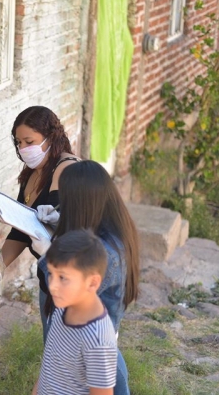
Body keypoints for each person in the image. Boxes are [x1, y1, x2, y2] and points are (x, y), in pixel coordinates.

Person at [32, 160, 140, 395]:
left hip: (91, 341)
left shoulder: (107, 251)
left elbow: (69, 288)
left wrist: (47, 256)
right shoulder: (108, 225)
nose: (63, 204)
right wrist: (58, 220)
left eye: (67, 201)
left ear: (83, 202)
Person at [0, 105, 80, 273]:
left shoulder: (65, 169)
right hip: (49, 273)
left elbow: (54, 228)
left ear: (51, 138)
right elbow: (21, 232)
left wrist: (2, 215)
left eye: (29, 142)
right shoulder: (31, 173)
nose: (22, 149)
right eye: (19, 143)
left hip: (74, 273)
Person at [33, 229, 117, 395]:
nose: (52, 286)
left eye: (63, 277)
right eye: (51, 274)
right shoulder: (62, 306)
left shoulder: (98, 341)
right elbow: (50, 365)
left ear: (92, 283)